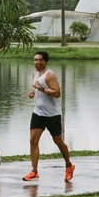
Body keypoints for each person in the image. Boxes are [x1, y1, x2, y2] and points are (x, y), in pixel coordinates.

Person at [24, 50, 74, 181]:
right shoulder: (34, 74)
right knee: (33, 141)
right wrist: (33, 93)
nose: (37, 62)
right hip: (38, 113)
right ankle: (34, 171)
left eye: (40, 60)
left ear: (45, 62)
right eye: (35, 60)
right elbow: (36, 89)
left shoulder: (49, 75)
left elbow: (57, 93)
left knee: (58, 141)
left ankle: (69, 165)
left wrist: (41, 89)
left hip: (52, 115)